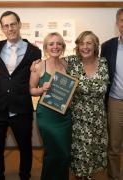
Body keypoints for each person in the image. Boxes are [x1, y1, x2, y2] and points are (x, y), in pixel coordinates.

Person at [0, 11, 41, 180]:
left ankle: (24, 176)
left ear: (19, 24)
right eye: (6, 25)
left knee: (25, 147)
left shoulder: (34, 51)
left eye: (13, 24)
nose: (10, 28)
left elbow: (34, 77)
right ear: (2, 28)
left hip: (22, 108)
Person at [65, 31, 109, 179]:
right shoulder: (70, 61)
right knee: (79, 155)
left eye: (89, 43)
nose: (85, 47)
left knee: (94, 154)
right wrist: (37, 63)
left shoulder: (103, 62)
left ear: (95, 45)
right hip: (78, 119)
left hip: (98, 120)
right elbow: (52, 63)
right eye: (81, 43)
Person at [29, 32, 72, 180]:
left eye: (59, 43)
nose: (55, 46)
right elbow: (31, 90)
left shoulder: (67, 64)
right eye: (51, 44)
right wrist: (42, 89)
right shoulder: (39, 66)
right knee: (53, 152)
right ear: (46, 47)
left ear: (63, 47)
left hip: (64, 116)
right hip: (47, 116)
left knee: (65, 153)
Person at [101, 8, 123, 180]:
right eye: (122, 20)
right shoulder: (108, 46)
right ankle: (114, 176)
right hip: (116, 102)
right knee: (114, 146)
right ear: (117, 23)